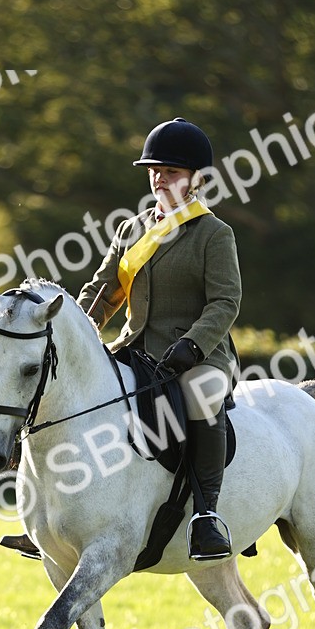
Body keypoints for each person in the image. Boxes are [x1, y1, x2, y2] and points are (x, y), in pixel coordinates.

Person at [77, 117, 241, 559]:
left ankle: (207, 514)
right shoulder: (131, 231)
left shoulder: (212, 233)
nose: (160, 178)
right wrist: (79, 329)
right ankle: (60, 514)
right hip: (135, 349)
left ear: (195, 180)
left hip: (197, 354)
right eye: (155, 170)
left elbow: (225, 302)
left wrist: (192, 345)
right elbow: (103, 291)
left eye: (170, 171)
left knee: (200, 396)